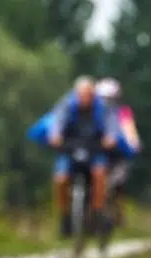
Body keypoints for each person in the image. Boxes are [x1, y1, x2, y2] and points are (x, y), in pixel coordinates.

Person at [48, 76, 119, 237]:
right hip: (70, 149)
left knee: (100, 174)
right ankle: (65, 216)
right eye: (81, 95)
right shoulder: (67, 105)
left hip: (95, 149)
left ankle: (97, 212)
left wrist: (110, 138)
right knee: (60, 179)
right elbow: (56, 123)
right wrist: (55, 135)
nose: (85, 98)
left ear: (93, 95)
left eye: (88, 94)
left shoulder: (103, 107)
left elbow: (111, 126)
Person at [95, 77, 141, 227]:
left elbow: (129, 129)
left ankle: (118, 211)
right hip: (95, 153)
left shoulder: (123, 112)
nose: (106, 101)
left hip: (116, 154)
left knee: (118, 182)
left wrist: (133, 142)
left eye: (109, 98)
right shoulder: (91, 112)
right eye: (102, 98)